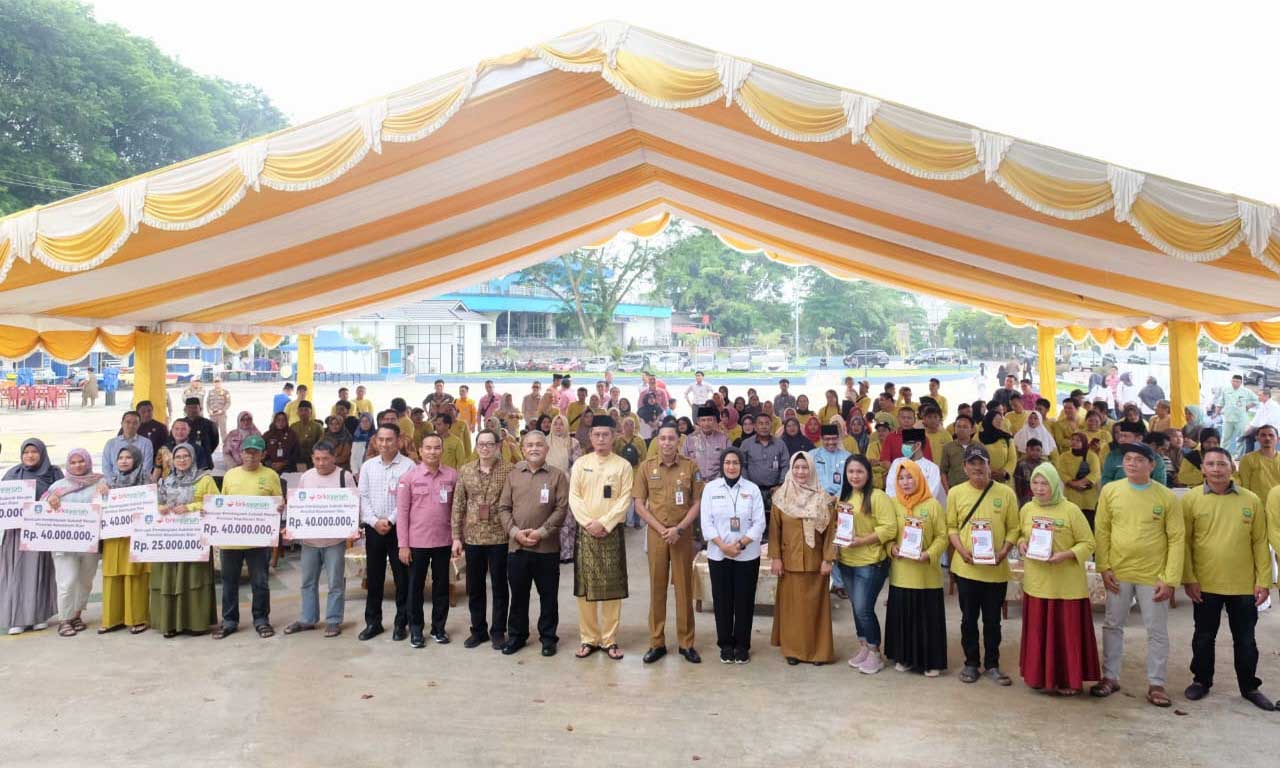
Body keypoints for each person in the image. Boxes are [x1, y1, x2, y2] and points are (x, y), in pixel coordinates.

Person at [1180, 447, 1275, 710]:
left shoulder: (1251, 500)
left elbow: (1260, 543)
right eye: (1210, 464)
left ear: (1231, 467)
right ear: (1202, 469)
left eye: (1222, 464)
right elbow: (1184, 542)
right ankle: (1201, 681)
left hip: (1243, 584)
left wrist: (1263, 581)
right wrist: (1189, 577)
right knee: (1203, 636)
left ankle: (1249, 686)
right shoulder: (1190, 500)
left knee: (1245, 639)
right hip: (1205, 583)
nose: (1217, 469)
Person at [1092, 442, 1184, 707]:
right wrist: (1104, 566)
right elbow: (1103, 530)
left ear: (1152, 465)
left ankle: (1157, 683)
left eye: (1139, 460)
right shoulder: (1111, 491)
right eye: (1128, 459)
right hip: (1119, 572)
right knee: (1112, 625)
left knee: (1156, 630)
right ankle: (1110, 677)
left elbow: (1177, 538)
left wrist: (1170, 579)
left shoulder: (1165, 497)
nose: (1131, 463)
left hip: (1153, 576)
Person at [1016, 463, 1100, 695]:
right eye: (1035, 483)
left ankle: (1067, 680)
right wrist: (1021, 542)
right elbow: (1021, 534)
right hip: (1037, 583)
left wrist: (1066, 555)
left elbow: (1089, 543)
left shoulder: (1071, 510)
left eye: (1045, 483)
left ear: (1054, 484)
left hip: (1066, 586)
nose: (1040, 488)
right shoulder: (1027, 509)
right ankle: (1038, 677)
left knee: (1065, 634)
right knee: (1038, 633)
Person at [946, 444, 1019, 685]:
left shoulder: (1006, 493)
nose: (978, 467)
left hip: (995, 570)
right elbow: (952, 527)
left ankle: (992, 664)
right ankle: (971, 663)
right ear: (965, 467)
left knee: (992, 620)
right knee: (968, 619)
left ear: (990, 466)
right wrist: (961, 550)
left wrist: (1004, 551)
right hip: (966, 567)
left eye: (982, 463)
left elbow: (1014, 528)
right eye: (972, 463)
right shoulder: (956, 493)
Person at [634, 422, 704, 664]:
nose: (666, 443)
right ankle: (657, 642)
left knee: (684, 588)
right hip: (657, 534)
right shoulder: (646, 467)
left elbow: (696, 502)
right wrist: (662, 528)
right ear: (658, 441)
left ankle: (686, 643)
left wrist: (680, 528)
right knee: (657, 587)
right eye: (662, 438)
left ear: (678, 441)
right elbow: (639, 504)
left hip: (682, 535)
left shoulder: (690, 466)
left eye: (671, 438)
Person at [497, 430, 569, 656]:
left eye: (539, 444)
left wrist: (541, 532)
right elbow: (503, 508)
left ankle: (548, 638)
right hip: (517, 547)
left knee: (548, 595)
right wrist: (515, 532)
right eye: (529, 445)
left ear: (546, 449)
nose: (534, 448)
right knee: (518, 595)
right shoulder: (514, 474)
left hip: (546, 548)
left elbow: (561, 508)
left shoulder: (557, 476)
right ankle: (517, 636)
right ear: (522, 448)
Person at [569, 414, 633, 661]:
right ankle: (588, 638)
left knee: (612, 587)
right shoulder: (581, 463)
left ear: (614, 436)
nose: (601, 439)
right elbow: (575, 497)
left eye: (606, 434)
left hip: (611, 531)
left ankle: (609, 639)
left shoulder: (623, 466)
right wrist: (588, 523)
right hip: (586, 532)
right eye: (597, 434)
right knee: (585, 588)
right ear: (591, 436)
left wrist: (605, 523)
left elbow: (624, 499)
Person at [282, 442, 361, 638]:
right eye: (317, 459)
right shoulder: (306, 477)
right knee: (307, 582)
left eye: (325, 458)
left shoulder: (345, 476)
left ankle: (333, 620)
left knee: (335, 583)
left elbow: (354, 505)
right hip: (309, 541)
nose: (321, 463)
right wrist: (290, 525)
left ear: (334, 457)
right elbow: (298, 505)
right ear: (312, 458)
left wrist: (354, 528)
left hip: (334, 541)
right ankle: (308, 619)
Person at [769, 452, 836, 666]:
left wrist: (828, 559)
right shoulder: (781, 497)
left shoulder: (823, 498)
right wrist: (776, 558)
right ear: (791, 468)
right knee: (792, 610)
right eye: (796, 467)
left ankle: (818, 652)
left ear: (812, 470)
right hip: (789, 562)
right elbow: (774, 531)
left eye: (805, 467)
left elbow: (831, 533)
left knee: (816, 610)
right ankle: (793, 651)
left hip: (816, 563)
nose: (800, 472)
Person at [212, 435, 282, 640]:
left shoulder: (270, 475)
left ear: (262, 454)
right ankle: (229, 621)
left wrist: (279, 507)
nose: (250, 456)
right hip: (231, 540)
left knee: (260, 582)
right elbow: (222, 504)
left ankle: (261, 620)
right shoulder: (230, 475)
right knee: (229, 582)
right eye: (247, 452)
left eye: (255, 452)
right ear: (240, 453)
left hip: (259, 541)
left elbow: (279, 501)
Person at [883, 460, 948, 676]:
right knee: (904, 618)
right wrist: (892, 549)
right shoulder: (893, 504)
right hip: (902, 572)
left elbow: (942, 536)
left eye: (910, 477)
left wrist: (929, 554)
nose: (906, 482)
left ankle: (931, 662)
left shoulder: (933, 505)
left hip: (927, 574)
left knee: (927, 619)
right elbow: (888, 535)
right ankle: (905, 658)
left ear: (919, 478)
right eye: (901, 478)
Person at [450, 429, 513, 650]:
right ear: (476, 446)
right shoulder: (466, 470)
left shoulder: (509, 470)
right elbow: (458, 504)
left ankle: (498, 631)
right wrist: (456, 537)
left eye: (489, 444)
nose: (485, 448)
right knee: (475, 587)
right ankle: (478, 630)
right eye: (481, 444)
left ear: (498, 446)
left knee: (499, 586)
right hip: (473, 537)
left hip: (500, 536)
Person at [835, 454, 896, 674]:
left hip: (870, 563)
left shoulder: (877, 496)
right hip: (846, 562)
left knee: (863, 608)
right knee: (856, 607)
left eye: (860, 471)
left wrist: (861, 540)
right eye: (851, 472)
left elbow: (889, 528)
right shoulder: (844, 496)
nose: (855, 476)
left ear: (868, 473)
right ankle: (864, 646)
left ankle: (875, 652)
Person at [397, 434, 457, 648]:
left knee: (441, 588)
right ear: (420, 451)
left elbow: (456, 511)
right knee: (415, 588)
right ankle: (416, 630)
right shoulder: (409, 478)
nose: (433, 452)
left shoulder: (451, 476)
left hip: (443, 541)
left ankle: (439, 628)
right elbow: (402, 513)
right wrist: (403, 545)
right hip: (417, 543)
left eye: (437, 447)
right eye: (428, 448)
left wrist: (458, 539)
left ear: (442, 450)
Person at [356, 424, 415, 641]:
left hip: (399, 529)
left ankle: (402, 623)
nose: (384, 444)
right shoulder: (368, 466)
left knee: (402, 578)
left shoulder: (409, 466)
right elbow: (363, 497)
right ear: (375, 441)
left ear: (398, 441)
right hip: (374, 530)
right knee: (374, 577)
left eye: (389, 439)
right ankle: (373, 622)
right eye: (380, 439)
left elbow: (408, 500)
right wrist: (374, 521)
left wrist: (389, 520)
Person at [152, 443, 217, 638]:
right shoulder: (166, 481)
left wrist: (191, 507)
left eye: (185, 456)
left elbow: (215, 503)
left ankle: (195, 623)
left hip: (194, 540)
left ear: (193, 458)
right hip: (170, 540)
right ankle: (170, 623)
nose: (181, 460)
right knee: (170, 579)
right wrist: (161, 507)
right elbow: (155, 504)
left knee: (193, 579)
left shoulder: (204, 479)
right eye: (178, 456)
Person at [0, 439, 60, 635]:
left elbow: (65, 496)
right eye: (26, 452)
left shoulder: (53, 473)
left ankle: (39, 616)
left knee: (40, 573)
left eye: (34, 451)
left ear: (42, 453)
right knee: (17, 574)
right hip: (17, 534)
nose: (30, 455)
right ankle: (16, 618)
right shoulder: (13, 474)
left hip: (41, 532)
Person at [42, 449, 103, 636]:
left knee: (85, 581)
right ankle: (65, 619)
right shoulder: (57, 486)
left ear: (88, 462)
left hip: (89, 544)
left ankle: (76, 615)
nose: (78, 465)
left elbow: (109, 505)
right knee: (66, 582)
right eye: (74, 462)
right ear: (68, 464)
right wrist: (48, 501)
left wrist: (107, 493)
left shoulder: (100, 482)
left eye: (81, 461)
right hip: (64, 544)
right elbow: (40, 510)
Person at [99, 445, 151, 634]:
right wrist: (101, 492)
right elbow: (98, 506)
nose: (124, 461)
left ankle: (137, 618)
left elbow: (152, 506)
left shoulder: (145, 480)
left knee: (134, 575)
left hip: (135, 536)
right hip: (113, 536)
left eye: (129, 457)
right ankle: (112, 619)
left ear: (136, 460)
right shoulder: (108, 481)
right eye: (120, 457)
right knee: (112, 574)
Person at [1055, 433, 1102, 528]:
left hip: (1089, 497)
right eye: (1072, 439)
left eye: (1078, 440)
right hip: (1071, 493)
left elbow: (1095, 473)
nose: (1074, 442)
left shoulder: (1092, 456)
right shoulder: (1064, 456)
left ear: (1084, 442)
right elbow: (1061, 472)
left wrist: (1080, 483)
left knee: (1089, 524)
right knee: (1073, 524)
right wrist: (1074, 484)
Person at [102, 410, 155, 483]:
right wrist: (114, 483)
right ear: (122, 423)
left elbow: (147, 467)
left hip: (139, 484)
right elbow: (106, 468)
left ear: (139, 424)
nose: (131, 425)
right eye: (128, 422)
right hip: (115, 485)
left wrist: (137, 483)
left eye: (135, 423)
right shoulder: (111, 444)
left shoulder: (146, 443)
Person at [681, 406, 729, 482]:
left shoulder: (723, 439)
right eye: (703, 420)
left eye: (710, 420)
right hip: (695, 482)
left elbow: (729, 461)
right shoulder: (690, 439)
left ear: (715, 421)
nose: (706, 423)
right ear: (698, 422)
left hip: (718, 482)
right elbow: (683, 461)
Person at [1215, 374, 1259, 458]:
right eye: (1233, 381)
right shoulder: (1226, 390)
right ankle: (1223, 455)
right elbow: (1220, 402)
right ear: (1231, 381)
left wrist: (1248, 406)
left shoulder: (1246, 391)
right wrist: (1217, 413)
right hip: (1228, 417)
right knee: (1225, 437)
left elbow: (1256, 400)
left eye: (1237, 382)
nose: (1235, 383)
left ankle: (1238, 456)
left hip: (1241, 418)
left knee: (1240, 437)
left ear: (1241, 382)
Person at [1236, 424, 1280, 502]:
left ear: (1278, 439)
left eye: (1271, 435)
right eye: (1263, 435)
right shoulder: (1247, 459)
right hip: (1256, 505)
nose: (1267, 438)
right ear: (1257, 438)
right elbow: (1244, 487)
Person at [978, 410, 1017, 486]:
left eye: (1001, 420)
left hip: (1004, 480)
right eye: (996, 420)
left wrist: (1004, 472)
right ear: (989, 420)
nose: (999, 422)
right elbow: (975, 457)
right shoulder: (979, 437)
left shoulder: (1007, 437)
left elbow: (1012, 458)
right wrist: (988, 472)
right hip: (984, 479)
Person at [939, 414, 975, 488]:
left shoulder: (979, 447)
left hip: (975, 488)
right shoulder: (948, 447)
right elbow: (943, 471)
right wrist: (947, 490)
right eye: (959, 426)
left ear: (971, 430)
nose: (961, 429)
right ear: (955, 429)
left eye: (965, 427)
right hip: (955, 489)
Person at [290, 400, 325, 470]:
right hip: (297, 459)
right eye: (301, 410)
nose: (303, 413)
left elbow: (322, 443)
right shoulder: (293, 426)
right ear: (297, 412)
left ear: (311, 412)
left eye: (306, 410)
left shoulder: (317, 427)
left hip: (313, 459)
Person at [1013, 440, 1047, 507]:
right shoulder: (1021, 464)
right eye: (1032, 450)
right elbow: (1018, 485)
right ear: (1026, 450)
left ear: (1041, 451)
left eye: (1038, 450)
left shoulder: (1045, 464)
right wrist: (1022, 499)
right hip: (1026, 497)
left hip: (1042, 496)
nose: (1035, 452)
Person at [206, 377, 231, 444]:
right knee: (213, 431)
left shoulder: (225, 392)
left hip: (221, 415)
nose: (217, 384)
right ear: (213, 383)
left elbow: (228, 403)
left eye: (218, 382)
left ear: (221, 383)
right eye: (215, 382)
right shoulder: (210, 392)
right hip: (212, 415)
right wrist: (209, 410)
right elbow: (207, 402)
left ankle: (225, 444)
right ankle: (213, 444)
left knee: (223, 431)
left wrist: (223, 410)